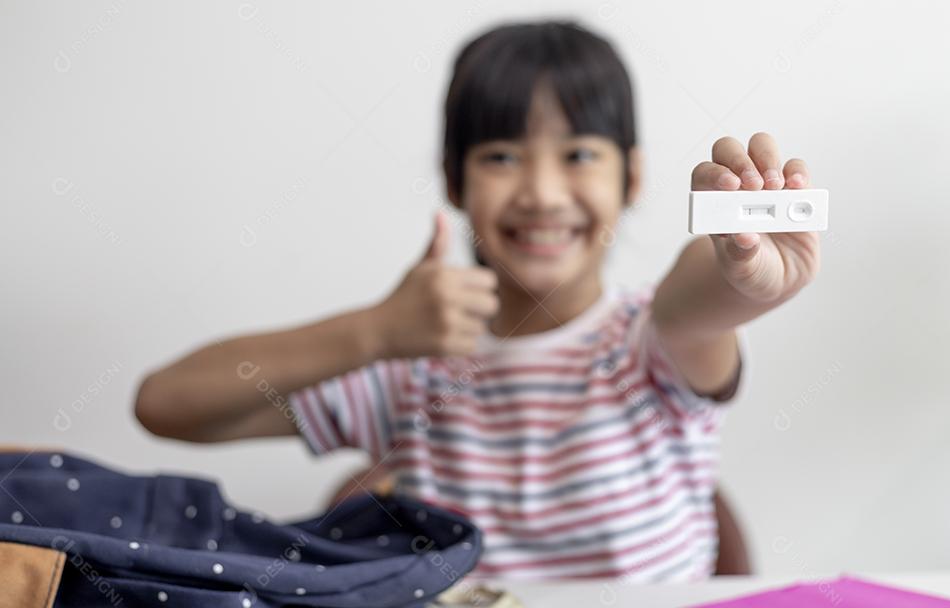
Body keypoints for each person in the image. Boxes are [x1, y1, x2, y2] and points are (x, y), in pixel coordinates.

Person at [135, 20, 820, 581]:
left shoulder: (647, 342)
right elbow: (164, 403)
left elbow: (692, 301)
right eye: (501, 156)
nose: (543, 193)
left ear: (632, 176)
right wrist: (374, 331)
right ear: (453, 181)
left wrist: (737, 265)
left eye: (579, 154)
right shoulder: (410, 357)